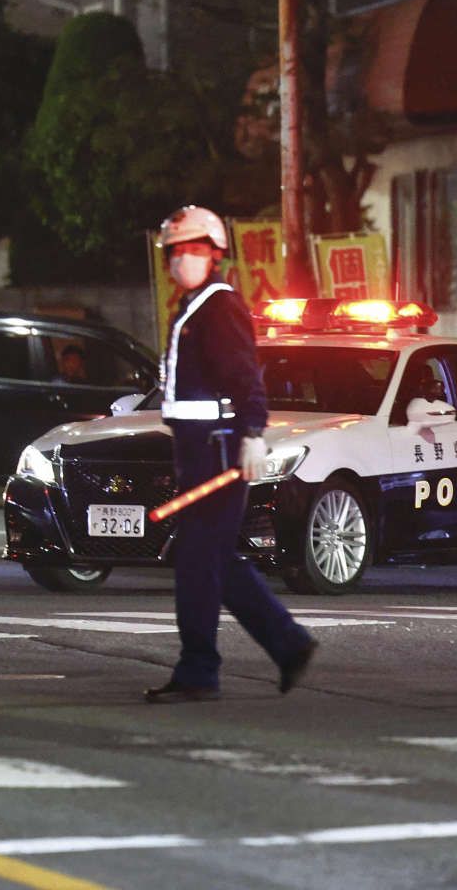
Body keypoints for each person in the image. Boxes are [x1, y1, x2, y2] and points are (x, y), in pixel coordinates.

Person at [145, 205, 317, 703]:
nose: (184, 259)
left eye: (195, 250)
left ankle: (199, 670)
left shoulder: (218, 305)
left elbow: (246, 377)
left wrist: (251, 433)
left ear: (217, 254)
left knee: (198, 560)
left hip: (217, 452)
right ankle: (288, 644)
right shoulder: (192, 305)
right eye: (177, 252)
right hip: (198, 450)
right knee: (216, 559)